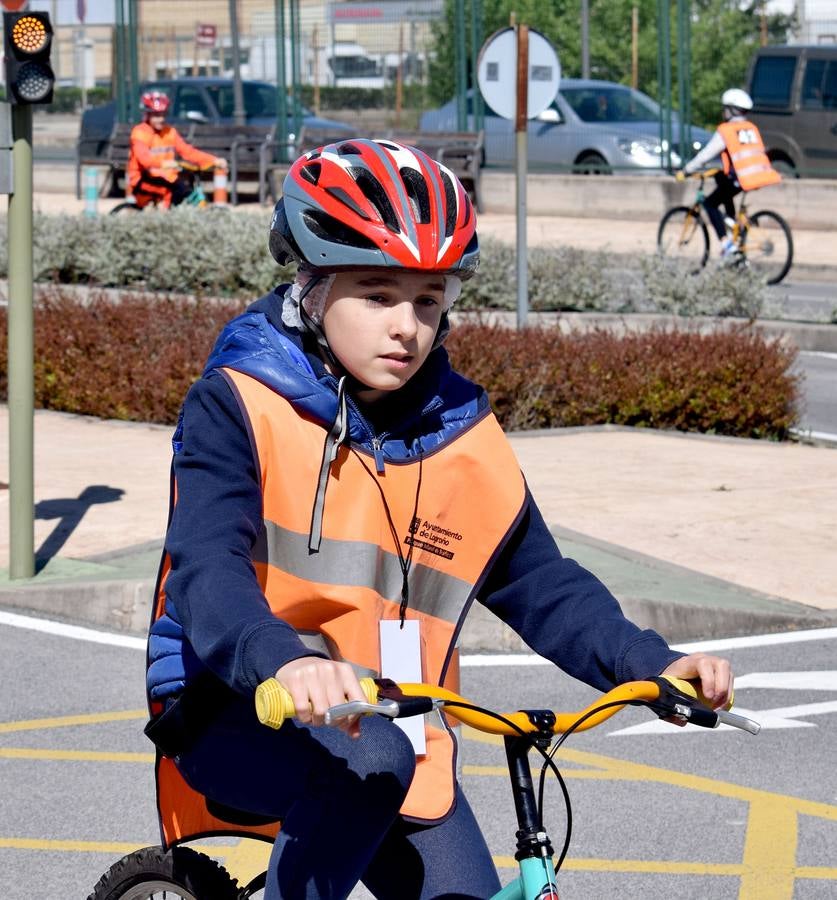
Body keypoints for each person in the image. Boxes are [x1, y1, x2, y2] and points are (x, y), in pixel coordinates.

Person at [144, 138, 734, 900]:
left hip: (398, 718)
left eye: (427, 299)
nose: (406, 326)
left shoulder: (462, 435)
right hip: (238, 701)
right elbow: (206, 572)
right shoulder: (237, 404)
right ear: (312, 290)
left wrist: (650, 664)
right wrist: (286, 661)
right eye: (377, 294)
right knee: (373, 762)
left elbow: (542, 584)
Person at [676, 88, 781, 257]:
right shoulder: (749, 127)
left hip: (743, 178)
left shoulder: (727, 130)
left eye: (725, 108)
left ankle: (726, 244)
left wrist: (686, 170)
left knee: (710, 204)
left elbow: (705, 155)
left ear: (731, 109)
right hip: (758, 175)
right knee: (721, 180)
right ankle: (732, 227)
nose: (723, 111)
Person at [126, 91, 227, 209]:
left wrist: (213, 160)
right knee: (168, 192)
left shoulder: (170, 132)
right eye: (157, 115)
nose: (161, 119)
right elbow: (144, 159)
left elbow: (188, 152)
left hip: (166, 177)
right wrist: (164, 164)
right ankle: (164, 223)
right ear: (148, 115)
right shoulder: (140, 132)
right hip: (142, 179)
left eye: (164, 115)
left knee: (187, 193)